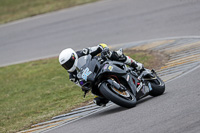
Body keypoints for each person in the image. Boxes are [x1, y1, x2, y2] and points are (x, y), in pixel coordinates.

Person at [58, 43, 144, 106]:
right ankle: (114, 93)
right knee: (98, 100)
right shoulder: (72, 76)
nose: (68, 66)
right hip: (93, 79)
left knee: (114, 54)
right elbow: (81, 85)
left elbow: (101, 46)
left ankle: (135, 65)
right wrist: (84, 87)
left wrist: (104, 50)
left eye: (68, 63)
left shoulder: (82, 52)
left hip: (100, 64)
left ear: (73, 57)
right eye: (65, 65)